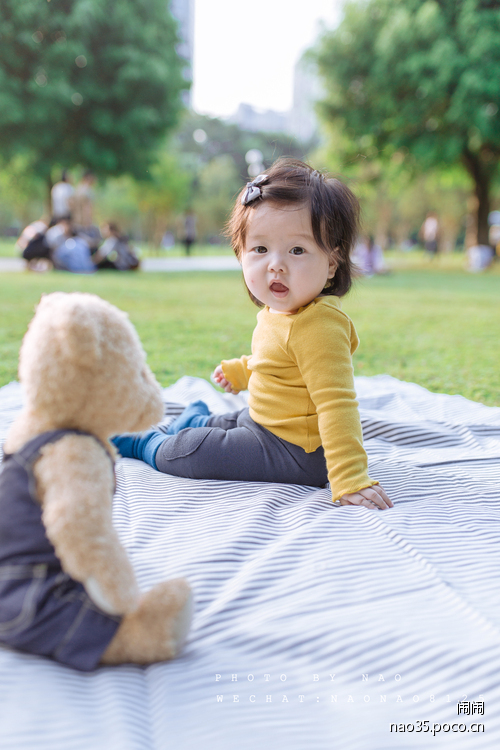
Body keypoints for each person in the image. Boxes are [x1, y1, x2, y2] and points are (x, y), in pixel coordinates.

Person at [112, 159, 392, 511]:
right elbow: (279, 362)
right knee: (223, 422)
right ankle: (194, 418)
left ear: (332, 263)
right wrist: (243, 371)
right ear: (241, 254)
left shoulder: (319, 328)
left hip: (297, 452)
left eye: (297, 250)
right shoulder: (282, 311)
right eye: (260, 249)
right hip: (264, 421)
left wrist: (350, 477)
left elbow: (337, 405)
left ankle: (144, 442)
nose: (276, 264)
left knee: (192, 453)